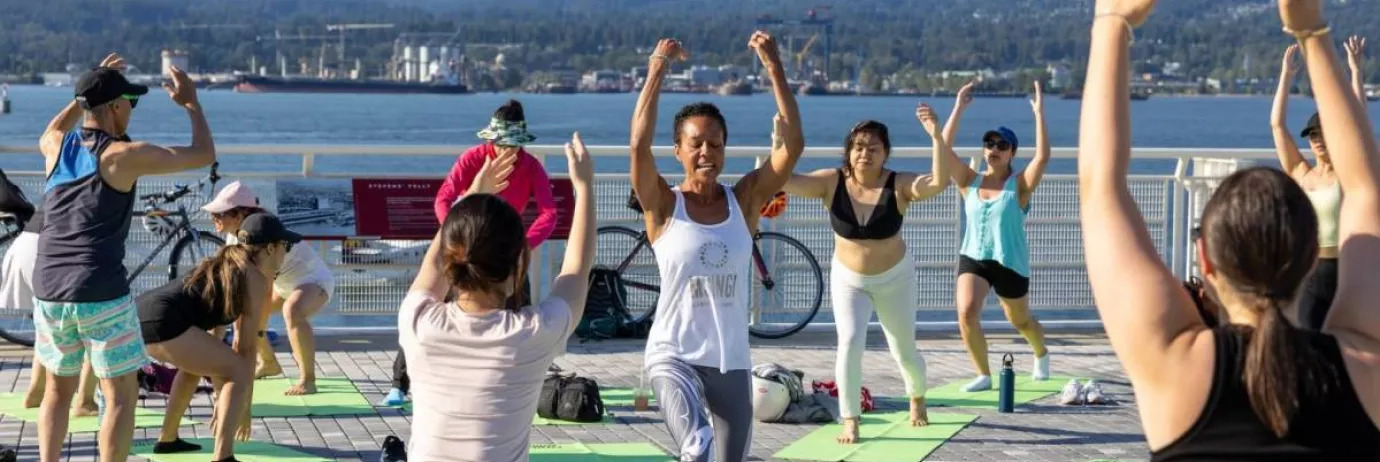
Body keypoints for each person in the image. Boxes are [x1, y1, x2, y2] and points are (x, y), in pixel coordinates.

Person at [1078, 0, 1380, 459]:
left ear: (1206, 262)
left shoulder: (1174, 365)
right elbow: (1365, 190)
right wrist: (1312, 32)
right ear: (1309, 258)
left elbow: (1101, 188)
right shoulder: (1364, 365)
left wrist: (1111, 22)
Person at [629, 32, 804, 462]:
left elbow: (793, 146)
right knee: (696, 445)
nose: (707, 151)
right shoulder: (663, 204)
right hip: (673, 355)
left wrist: (774, 65)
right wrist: (658, 66)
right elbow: (637, 145)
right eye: (696, 144)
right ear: (678, 151)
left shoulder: (743, 200)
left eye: (716, 144)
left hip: (730, 359)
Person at [32, 53, 215, 462]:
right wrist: (192, 104)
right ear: (115, 108)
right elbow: (203, 154)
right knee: (118, 397)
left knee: (57, 393)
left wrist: (86, 91)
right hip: (100, 291)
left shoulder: (56, 148)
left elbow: (50, 129)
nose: (132, 109)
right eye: (130, 102)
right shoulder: (122, 155)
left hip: (48, 289)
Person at [397, 131, 594, 461]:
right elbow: (576, 271)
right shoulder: (533, 333)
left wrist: (473, 195)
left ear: (452, 256)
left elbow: (436, 262)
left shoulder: (418, 322)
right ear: (518, 264)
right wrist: (585, 187)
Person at [780, 104, 952, 443]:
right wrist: (779, 139)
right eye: (858, 147)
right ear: (848, 151)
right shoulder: (831, 182)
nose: (865, 154)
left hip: (895, 279)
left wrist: (937, 138)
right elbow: (784, 180)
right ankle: (850, 419)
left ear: (885, 153)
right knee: (849, 343)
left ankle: (917, 397)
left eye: (873, 148)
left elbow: (937, 183)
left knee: (904, 350)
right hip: (849, 280)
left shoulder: (898, 184)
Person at [383, 99, 556, 406]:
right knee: (426, 307)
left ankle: (524, 381)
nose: (508, 152)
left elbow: (548, 213)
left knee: (524, 314)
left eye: (514, 146)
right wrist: (455, 234)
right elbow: (444, 199)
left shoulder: (531, 166)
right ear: (490, 140)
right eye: (502, 144)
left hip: (506, 251)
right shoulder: (473, 158)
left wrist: (523, 245)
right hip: (465, 248)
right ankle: (399, 384)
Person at [138, 212, 296, 462]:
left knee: (193, 368)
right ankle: (223, 456)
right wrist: (244, 406)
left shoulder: (231, 264)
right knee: (238, 370)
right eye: (285, 246)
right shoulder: (254, 277)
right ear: (270, 248)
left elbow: (214, 335)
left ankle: (167, 440)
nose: (287, 252)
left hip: (141, 316)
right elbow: (245, 349)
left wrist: (226, 398)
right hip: (164, 320)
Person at [940, 80, 1053, 392]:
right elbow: (943, 149)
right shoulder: (969, 181)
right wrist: (958, 107)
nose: (994, 150)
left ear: (1012, 152)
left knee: (1020, 321)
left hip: (1010, 262)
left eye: (1002, 145)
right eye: (990, 144)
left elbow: (1042, 158)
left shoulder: (1020, 186)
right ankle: (984, 374)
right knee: (966, 312)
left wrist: (1039, 113)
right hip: (974, 257)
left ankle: (1041, 353)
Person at [199, 181, 333, 396]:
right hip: (283, 283)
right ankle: (269, 363)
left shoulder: (262, 231)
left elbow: (264, 279)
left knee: (292, 311)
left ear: (239, 214)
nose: (213, 218)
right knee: (245, 316)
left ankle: (308, 380)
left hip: (312, 280)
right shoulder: (235, 235)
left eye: (219, 213)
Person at [1272, 36, 1367, 331]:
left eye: (1322, 133)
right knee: (1310, 338)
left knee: (1347, 343)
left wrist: (1355, 72)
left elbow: (1357, 121)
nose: (1317, 140)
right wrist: (1286, 77)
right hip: (1310, 271)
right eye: (1312, 136)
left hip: (1348, 269)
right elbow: (1277, 125)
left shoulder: (1347, 173)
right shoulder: (1301, 173)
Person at [2, 209, 100, 415]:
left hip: (24, 245)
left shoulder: (66, 178)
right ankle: (85, 401)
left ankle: (36, 392)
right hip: (51, 250)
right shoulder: (103, 186)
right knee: (96, 322)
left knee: (47, 323)